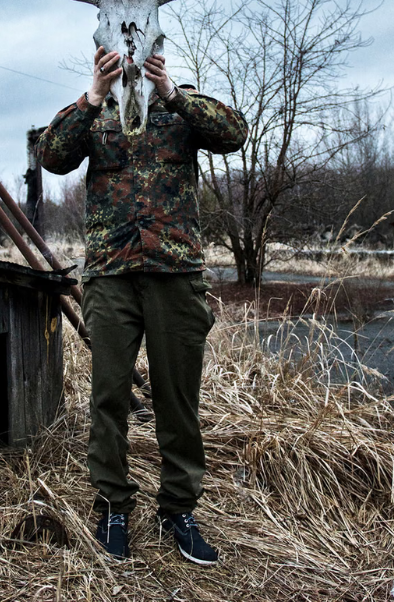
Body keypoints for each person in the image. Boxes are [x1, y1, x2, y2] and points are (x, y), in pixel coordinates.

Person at [39, 46, 247, 564]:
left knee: (178, 399)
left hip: (175, 274)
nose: (129, 54)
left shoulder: (182, 103)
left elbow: (234, 134)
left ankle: (178, 507)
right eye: (116, 43)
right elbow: (52, 156)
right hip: (111, 275)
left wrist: (174, 93)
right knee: (108, 398)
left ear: (155, 47)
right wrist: (92, 94)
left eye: (141, 44)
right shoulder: (97, 109)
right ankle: (112, 504)